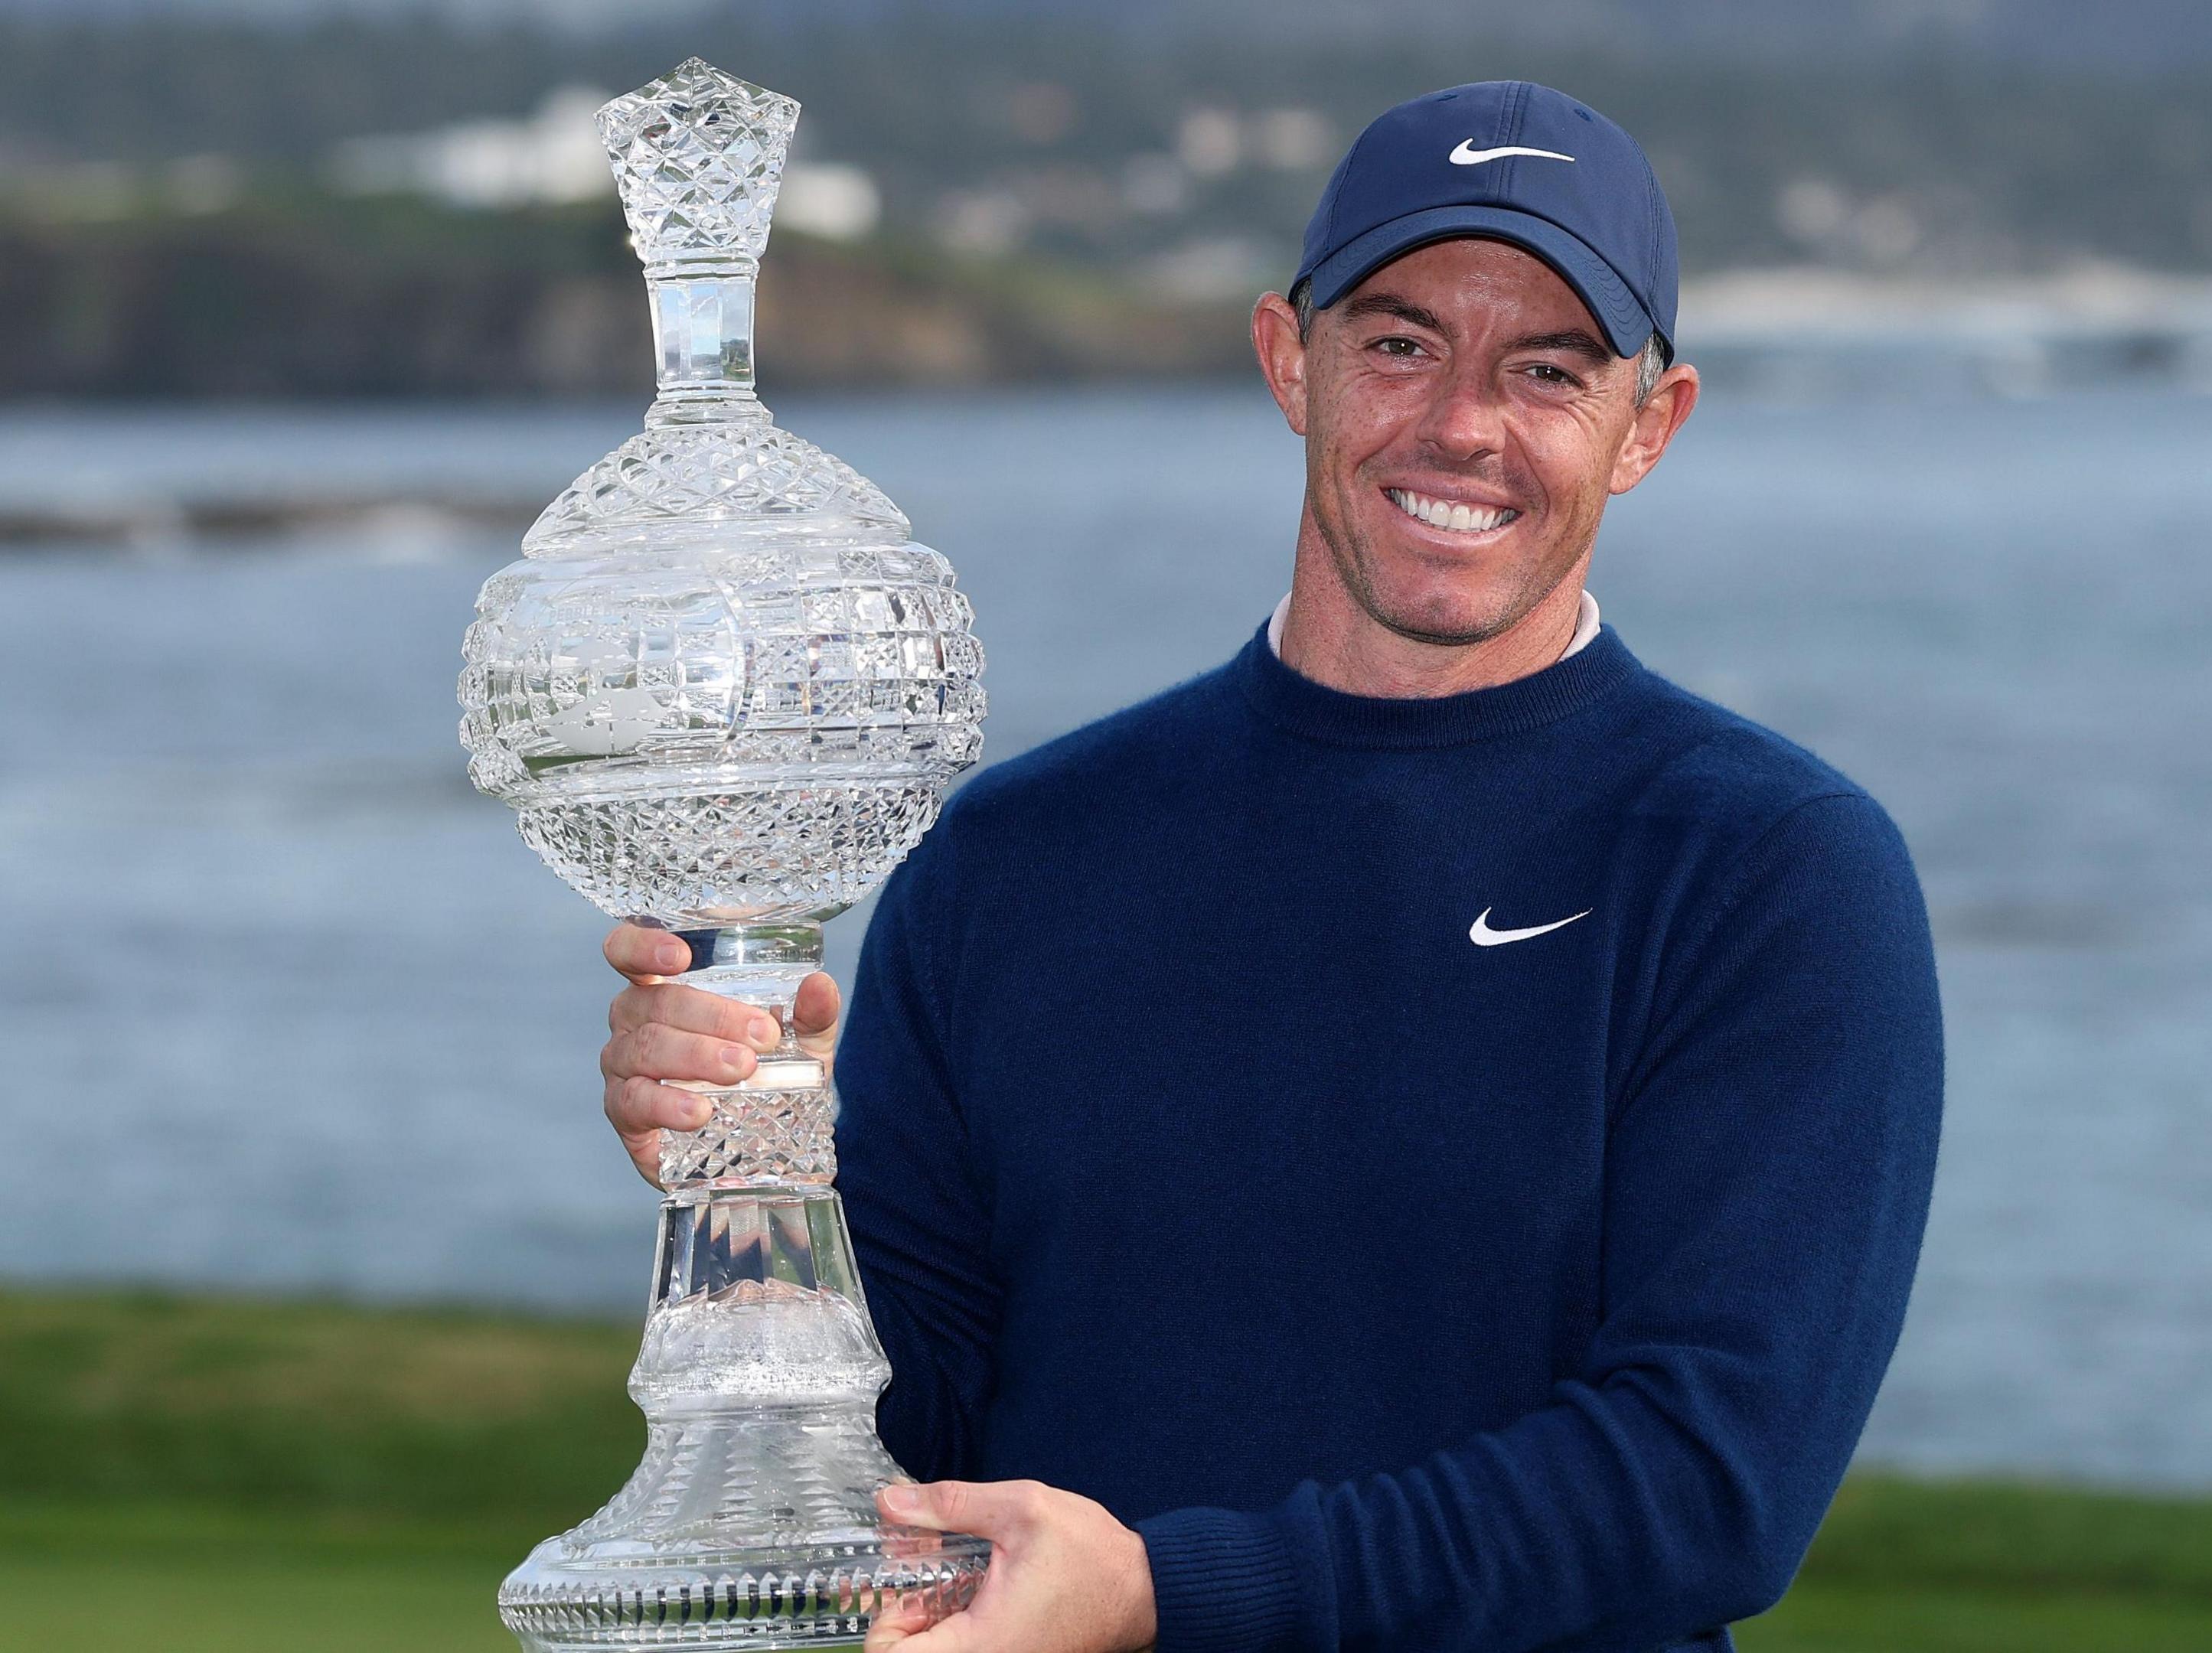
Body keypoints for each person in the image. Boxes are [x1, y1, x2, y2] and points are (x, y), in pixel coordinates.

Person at [595, 80, 1942, 1653]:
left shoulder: (1767, 870)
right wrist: (752, 1186)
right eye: (1399, 342)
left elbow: (1709, 1485)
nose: (1460, 424)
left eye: (1551, 370)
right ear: (1285, 359)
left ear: (1651, 423)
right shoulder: (1016, 858)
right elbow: (883, 1461)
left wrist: (1168, 1598)